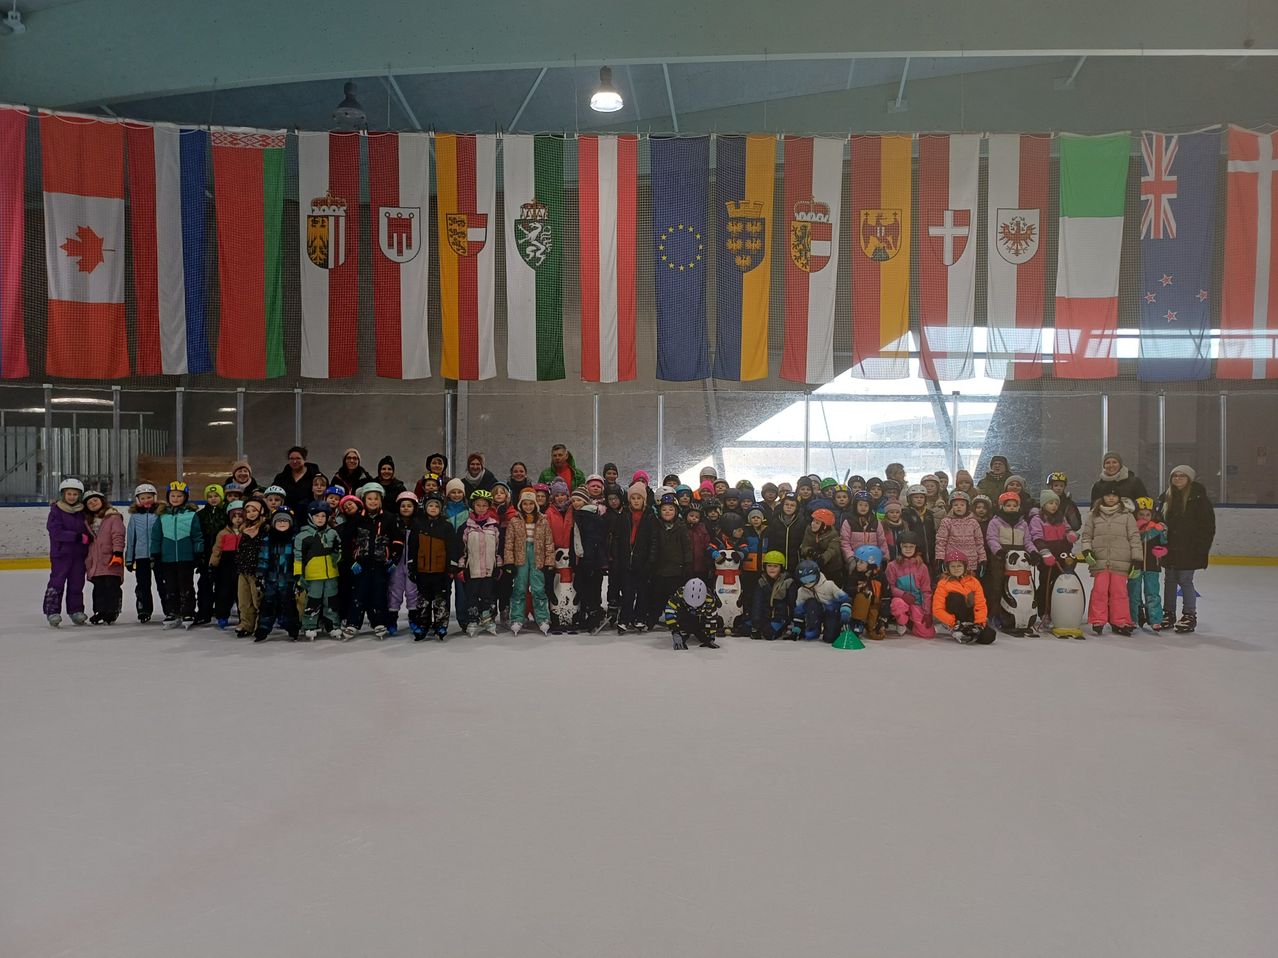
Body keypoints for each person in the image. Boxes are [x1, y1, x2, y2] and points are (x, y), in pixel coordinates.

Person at [1080, 481, 1142, 636]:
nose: (1111, 498)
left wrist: (1136, 560)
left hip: (1121, 561)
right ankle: (1098, 620)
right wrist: (1087, 551)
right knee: (1099, 591)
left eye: (1114, 495)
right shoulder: (1094, 515)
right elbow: (1087, 536)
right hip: (1100, 561)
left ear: (1119, 498)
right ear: (1103, 497)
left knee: (1119, 592)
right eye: (1108, 495)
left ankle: (1120, 621)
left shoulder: (1127, 516)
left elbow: (1135, 538)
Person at [1158, 465, 1215, 634]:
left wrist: (1201, 548)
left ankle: (1189, 615)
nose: (1178, 479)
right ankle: (1168, 613)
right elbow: (1158, 520)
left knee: (1185, 580)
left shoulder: (1198, 498)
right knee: (1169, 580)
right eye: (1175, 476)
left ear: (1189, 479)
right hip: (1169, 548)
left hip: (1189, 548)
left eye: (1182, 476)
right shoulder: (1165, 497)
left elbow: (1207, 526)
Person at [344, 482, 399, 639]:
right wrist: (351, 561)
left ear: (380, 499)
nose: (373, 502)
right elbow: (346, 542)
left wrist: (394, 560)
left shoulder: (389, 518)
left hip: (381, 564)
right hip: (361, 564)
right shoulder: (356, 518)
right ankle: (353, 623)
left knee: (379, 594)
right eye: (369, 499)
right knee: (358, 594)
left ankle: (379, 622)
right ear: (364, 500)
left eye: (376, 498)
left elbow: (397, 541)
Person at [151, 480, 204, 630]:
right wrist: (155, 554)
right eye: (172, 495)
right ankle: (172, 612)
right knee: (170, 587)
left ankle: (188, 612)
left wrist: (198, 553)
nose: (175, 498)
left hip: (186, 558)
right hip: (167, 559)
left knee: (186, 586)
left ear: (185, 497)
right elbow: (156, 537)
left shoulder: (192, 515)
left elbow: (197, 536)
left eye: (179, 496)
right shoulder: (162, 517)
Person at [407, 492, 459, 640]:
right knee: (423, 600)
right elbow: (412, 546)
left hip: (440, 571)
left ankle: (440, 625)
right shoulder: (418, 524)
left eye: (437, 505)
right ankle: (422, 625)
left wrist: (451, 566)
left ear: (441, 508)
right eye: (431, 505)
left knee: (440, 599)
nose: (433, 508)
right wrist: (412, 564)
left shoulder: (446, 526)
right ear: (425, 507)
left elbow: (452, 547)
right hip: (422, 570)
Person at [504, 488, 554, 636]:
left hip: (537, 557)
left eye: (531, 503)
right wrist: (509, 562)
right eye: (525, 503)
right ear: (520, 504)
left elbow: (549, 543)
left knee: (538, 588)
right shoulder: (515, 521)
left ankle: (543, 618)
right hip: (521, 557)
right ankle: (517, 618)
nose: (528, 506)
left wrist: (549, 562)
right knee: (519, 587)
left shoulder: (543, 520)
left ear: (535, 505)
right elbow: (509, 543)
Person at [611, 482, 657, 634]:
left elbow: (653, 541)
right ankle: (624, 618)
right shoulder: (623, 515)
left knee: (643, 592)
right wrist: (617, 558)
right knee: (628, 592)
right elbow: (617, 538)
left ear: (644, 499)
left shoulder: (650, 516)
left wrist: (650, 560)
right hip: (626, 561)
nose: (636, 501)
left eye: (639, 498)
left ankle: (640, 617)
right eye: (633, 498)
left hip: (642, 561)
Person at [44, 477, 90, 627]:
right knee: (57, 582)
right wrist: (76, 536)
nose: (72, 497)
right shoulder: (56, 511)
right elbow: (55, 532)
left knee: (77, 583)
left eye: (75, 494)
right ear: (63, 494)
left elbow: (89, 528)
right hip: (61, 554)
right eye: (69, 494)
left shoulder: (83, 511)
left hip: (79, 554)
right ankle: (52, 611)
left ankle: (76, 610)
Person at [293, 501, 342, 640]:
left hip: (331, 574)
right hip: (313, 575)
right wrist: (298, 575)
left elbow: (339, 550)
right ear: (310, 517)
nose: (320, 519)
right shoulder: (302, 536)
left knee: (331, 600)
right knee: (313, 600)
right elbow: (298, 557)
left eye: (323, 516)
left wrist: (336, 556)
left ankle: (332, 625)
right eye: (317, 516)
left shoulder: (332, 533)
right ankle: (309, 625)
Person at [457, 489, 502, 635]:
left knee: (488, 596)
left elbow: (498, 548)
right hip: (473, 569)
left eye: (484, 505)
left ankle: (488, 619)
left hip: (489, 569)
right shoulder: (466, 527)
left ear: (489, 507)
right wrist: (461, 567)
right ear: (473, 506)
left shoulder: (494, 526)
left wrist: (499, 566)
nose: (481, 508)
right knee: (472, 595)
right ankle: (472, 619)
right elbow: (461, 549)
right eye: (478, 505)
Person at [254, 509, 300, 642]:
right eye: (279, 521)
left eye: (285, 521)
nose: (282, 523)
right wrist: (260, 575)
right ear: (273, 523)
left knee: (289, 605)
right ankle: (263, 629)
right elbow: (263, 558)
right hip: (271, 579)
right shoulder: (268, 539)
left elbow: (298, 559)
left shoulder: (294, 539)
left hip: (288, 579)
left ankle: (293, 628)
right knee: (267, 605)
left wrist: (298, 577)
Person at [932, 550, 995, 644]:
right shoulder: (943, 584)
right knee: (955, 596)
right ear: (948, 568)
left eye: (959, 566)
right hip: (955, 618)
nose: (956, 569)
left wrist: (979, 623)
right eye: (953, 566)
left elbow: (980, 604)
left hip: (970, 615)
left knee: (989, 636)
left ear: (965, 567)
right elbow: (937, 609)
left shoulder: (974, 582)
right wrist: (953, 623)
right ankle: (957, 629)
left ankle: (971, 631)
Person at [82, 490, 126, 625]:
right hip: (95, 560)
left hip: (110, 558)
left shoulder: (113, 517)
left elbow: (118, 535)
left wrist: (117, 553)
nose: (93, 503)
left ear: (102, 501)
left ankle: (112, 610)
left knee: (111, 585)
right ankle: (99, 611)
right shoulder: (86, 521)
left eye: (95, 500)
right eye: (89, 502)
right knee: (98, 587)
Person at [649, 493, 692, 629]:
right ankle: (652, 618)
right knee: (657, 596)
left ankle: (678, 620)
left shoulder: (681, 527)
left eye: (671, 509)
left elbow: (687, 547)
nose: (667, 512)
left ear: (676, 511)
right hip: (660, 569)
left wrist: (687, 564)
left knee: (676, 598)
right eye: (664, 509)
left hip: (676, 570)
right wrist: (651, 563)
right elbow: (653, 546)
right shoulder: (657, 527)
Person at [570, 487, 608, 633]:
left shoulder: (588, 515)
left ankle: (594, 613)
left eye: (578, 500)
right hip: (584, 559)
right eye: (573, 501)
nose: (576, 503)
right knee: (581, 585)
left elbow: (593, 540)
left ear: (585, 500)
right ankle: (591, 613)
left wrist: (590, 560)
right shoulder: (580, 514)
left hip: (591, 560)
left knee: (589, 587)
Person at [126, 482, 164, 623]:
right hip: (141, 556)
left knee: (163, 584)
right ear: (138, 500)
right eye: (143, 498)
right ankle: (144, 609)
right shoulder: (135, 517)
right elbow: (131, 539)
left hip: (159, 556)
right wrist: (129, 559)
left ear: (154, 497)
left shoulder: (160, 514)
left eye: (149, 497)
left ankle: (169, 609)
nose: (146, 500)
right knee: (142, 585)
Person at [1128, 496, 1168, 631]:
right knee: (1133, 593)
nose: (1144, 517)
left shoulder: (1157, 528)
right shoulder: (1131, 529)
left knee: (1153, 593)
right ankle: (1133, 618)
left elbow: (1164, 542)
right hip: (1135, 566)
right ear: (1135, 514)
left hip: (1152, 566)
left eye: (1147, 514)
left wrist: (1162, 550)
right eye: (1141, 514)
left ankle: (1155, 619)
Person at [791, 558, 852, 643]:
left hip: (831, 612)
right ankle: (813, 628)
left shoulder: (829, 585)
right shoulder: (801, 591)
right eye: (804, 580)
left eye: (811, 578)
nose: (808, 582)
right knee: (810, 603)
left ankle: (835, 628)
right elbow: (799, 611)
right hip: (815, 612)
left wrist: (845, 611)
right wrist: (796, 629)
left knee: (830, 638)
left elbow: (844, 598)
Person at [385, 492, 420, 637]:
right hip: (396, 563)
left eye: (409, 506)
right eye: (403, 506)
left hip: (412, 563)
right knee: (395, 591)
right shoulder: (393, 522)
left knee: (413, 591)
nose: (406, 508)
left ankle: (414, 619)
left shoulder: (418, 523)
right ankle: (392, 620)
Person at [885, 533, 934, 637]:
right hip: (901, 599)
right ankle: (901, 621)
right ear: (900, 546)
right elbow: (891, 587)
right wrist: (902, 594)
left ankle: (912, 622)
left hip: (917, 602)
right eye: (905, 546)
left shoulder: (922, 567)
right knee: (898, 605)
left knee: (928, 634)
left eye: (911, 547)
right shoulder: (892, 566)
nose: (908, 549)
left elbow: (926, 591)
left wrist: (927, 612)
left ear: (916, 547)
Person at [194, 483, 227, 625]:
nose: (213, 499)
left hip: (223, 555)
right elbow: (197, 535)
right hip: (206, 554)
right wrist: (199, 554)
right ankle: (204, 612)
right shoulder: (201, 515)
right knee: (205, 584)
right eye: (210, 496)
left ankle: (221, 613)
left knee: (222, 585)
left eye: (216, 496)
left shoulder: (227, 513)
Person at [208, 500, 244, 629]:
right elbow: (217, 550)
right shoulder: (223, 533)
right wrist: (213, 565)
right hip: (226, 567)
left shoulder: (247, 532)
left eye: (241, 516)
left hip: (242, 566)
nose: (238, 519)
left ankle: (244, 617)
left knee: (241, 594)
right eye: (234, 516)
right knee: (224, 592)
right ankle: (222, 616)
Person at [934, 491, 985, 577]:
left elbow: (979, 542)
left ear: (967, 507)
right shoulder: (946, 522)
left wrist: (983, 559)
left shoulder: (973, 522)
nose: (959, 507)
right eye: (956, 505)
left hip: (970, 562)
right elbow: (941, 541)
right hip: (953, 562)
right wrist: (940, 558)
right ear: (951, 507)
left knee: (969, 586)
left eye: (962, 505)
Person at [235, 499, 266, 638]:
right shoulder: (243, 529)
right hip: (243, 569)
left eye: (254, 510)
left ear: (261, 511)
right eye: (248, 511)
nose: (251, 513)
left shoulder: (265, 528)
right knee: (244, 599)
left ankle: (261, 625)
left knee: (257, 599)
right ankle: (246, 624)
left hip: (257, 570)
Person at [662, 577, 722, 650]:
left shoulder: (710, 599)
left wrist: (711, 637)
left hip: (700, 617)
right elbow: (669, 611)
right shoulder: (679, 594)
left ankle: (697, 630)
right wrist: (675, 631)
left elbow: (712, 618)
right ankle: (683, 630)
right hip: (684, 615)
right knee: (683, 622)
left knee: (705, 635)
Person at [752, 550, 796, 641]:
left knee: (768, 634)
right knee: (745, 628)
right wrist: (756, 622)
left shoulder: (788, 582)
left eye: (775, 566)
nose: (772, 569)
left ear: (781, 567)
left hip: (780, 617)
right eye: (769, 566)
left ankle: (782, 628)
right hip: (765, 615)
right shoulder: (762, 581)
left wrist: (792, 622)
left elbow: (792, 604)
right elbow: (757, 602)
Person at [272, 446, 322, 516]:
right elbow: (273, 493)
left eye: (298, 458)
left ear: (305, 459)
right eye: (291, 458)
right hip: (285, 514)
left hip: (309, 514)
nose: (294, 461)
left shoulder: (316, 476)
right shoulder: (281, 477)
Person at [800, 507, 842, 585]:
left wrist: (823, 558)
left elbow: (833, 550)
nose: (813, 524)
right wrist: (809, 551)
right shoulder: (809, 530)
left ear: (824, 526)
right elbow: (805, 545)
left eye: (817, 523)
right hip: (813, 566)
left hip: (831, 567)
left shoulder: (833, 534)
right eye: (813, 521)